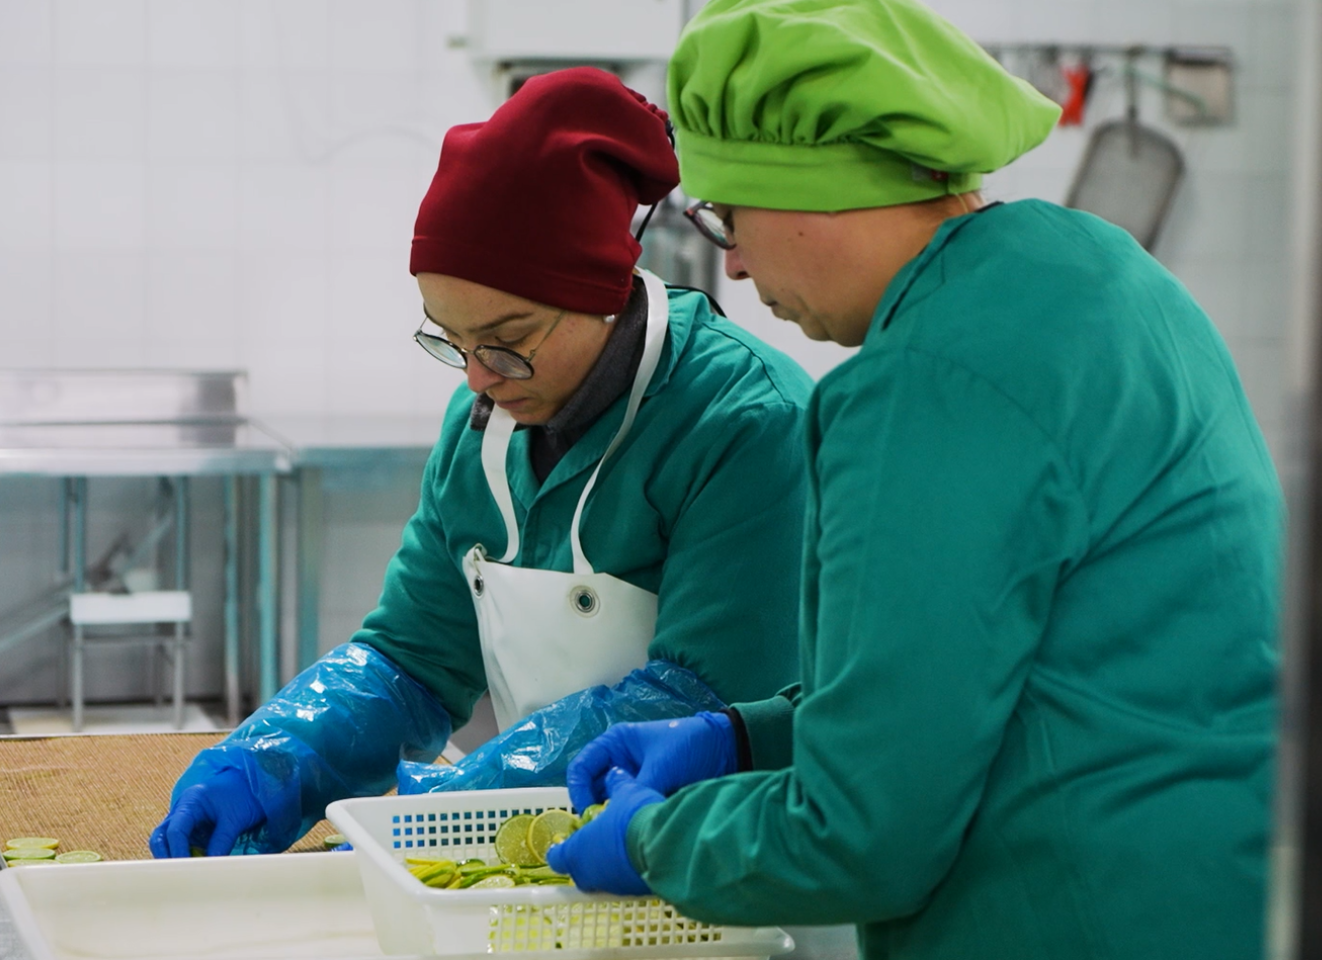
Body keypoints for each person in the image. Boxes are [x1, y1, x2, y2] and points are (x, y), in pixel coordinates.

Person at [548, 2, 1285, 959]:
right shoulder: (1097, 270)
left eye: (730, 216)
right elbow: (985, 684)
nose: (737, 262)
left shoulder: (925, 385)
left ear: (812, 189)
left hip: (1069, 918)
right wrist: (748, 738)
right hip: (1214, 900)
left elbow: (859, 835)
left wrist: (657, 842)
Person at [150, 68, 812, 858]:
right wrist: (274, 759)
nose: (477, 378)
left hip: (712, 859)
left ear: (602, 293)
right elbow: (411, 660)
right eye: (451, 340)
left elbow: (703, 706)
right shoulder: (485, 432)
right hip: (548, 860)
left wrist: (458, 811)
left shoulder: (744, 422)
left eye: (505, 342)